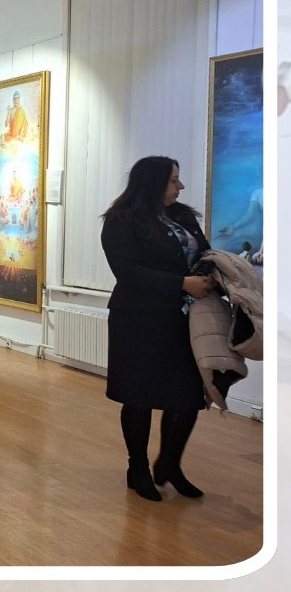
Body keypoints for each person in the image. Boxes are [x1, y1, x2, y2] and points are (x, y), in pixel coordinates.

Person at [102, 155, 217, 501]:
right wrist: (182, 283)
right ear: (152, 182)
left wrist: (212, 274)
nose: (180, 186)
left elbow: (204, 253)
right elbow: (128, 272)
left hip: (184, 319)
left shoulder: (182, 216)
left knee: (186, 397)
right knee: (139, 396)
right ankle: (137, 468)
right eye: (173, 180)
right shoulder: (121, 220)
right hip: (139, 319)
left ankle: (169, 464)